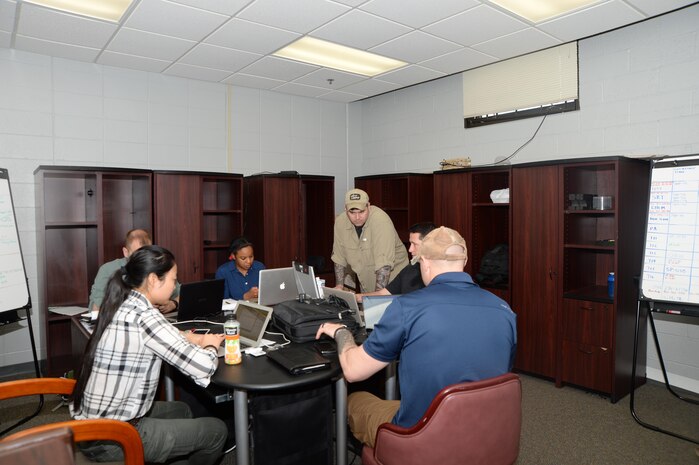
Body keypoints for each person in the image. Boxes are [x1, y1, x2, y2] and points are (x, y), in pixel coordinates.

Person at [316, 226, 517, 448]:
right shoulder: (504, 310)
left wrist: (340, 331)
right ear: (465, 261)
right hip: (488, 432)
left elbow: (353, 371)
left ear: (425, 263)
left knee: (355, 400)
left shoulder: (406, 307)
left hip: (421, 435)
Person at [71, 245, 227, 464]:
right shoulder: (146, 316)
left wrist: (189, 337)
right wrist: (210, 345)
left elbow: (157, 334)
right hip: (113, 439)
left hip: (90, 428)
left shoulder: (124, 301)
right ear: (154, 279)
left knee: (182, 410)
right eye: (174, 279)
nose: (175, 287)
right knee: (216, 431)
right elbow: (203, 366)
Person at [332, 189, 409, 293]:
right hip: (367, 281)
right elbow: (339, 258)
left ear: (368, 206)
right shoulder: (340, 222)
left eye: (362, 211)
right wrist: (339, 287)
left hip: (394, 283)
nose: (357, 217)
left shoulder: (381, 221)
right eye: (352, 212)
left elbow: (384, 265)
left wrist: (376, 299)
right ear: (345, 209)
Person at [89, 229, 179, 313]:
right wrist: (141, 306)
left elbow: (182, 293)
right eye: (137, 254)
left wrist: (173, 303)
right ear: (126, 252)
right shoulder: (107, 270)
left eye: (146, 254)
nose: (142, 259)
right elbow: (97, 308)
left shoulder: (154, 265)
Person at [355, 222, 436, 302]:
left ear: (428, 245)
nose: (410, 249)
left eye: (414, 244)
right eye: (410, 243)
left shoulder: (439, 273)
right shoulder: (410, 269)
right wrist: (357, 297)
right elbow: (383, 294)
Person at [215, 236, 265, 301]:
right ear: (233, 256)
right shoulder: (223, 272)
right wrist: (244, 297)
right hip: (234, 311)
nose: (249, 261)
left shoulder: (259, 267)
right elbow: (223, 302)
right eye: (243, 258)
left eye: (251, 256)